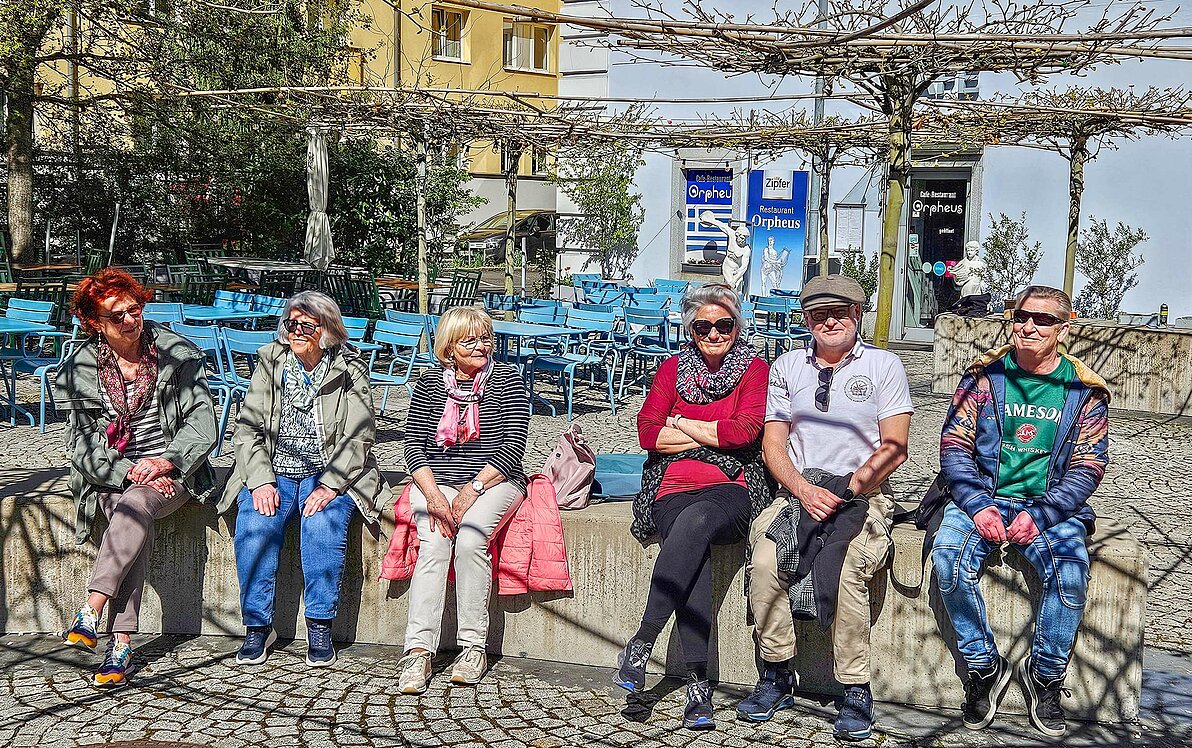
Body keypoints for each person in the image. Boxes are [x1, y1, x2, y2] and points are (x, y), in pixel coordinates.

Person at [739, 274, 913, 741]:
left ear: (857, 314)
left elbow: (896, 447)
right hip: (797, 491)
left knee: (849, 567)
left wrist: (849, 488)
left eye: (839, 312)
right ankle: (776, 672)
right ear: (806, 319)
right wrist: (801, 488)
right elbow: (773, 443)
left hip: (863, 494)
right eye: (818, 314)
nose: (829, 321)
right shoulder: (788, 365)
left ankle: (855, 687)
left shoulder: (884, 365)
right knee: (765, 561)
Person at [933, 285, 1108, 738]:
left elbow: (1089, 466)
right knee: (947, 560)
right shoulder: (983, 378)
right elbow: (953, 447)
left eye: (1043, 320)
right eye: (1021, 316)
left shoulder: (1083, 390)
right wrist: (977, 505)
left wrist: (1044, 515)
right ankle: (984, 666)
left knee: (1070, 576)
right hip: (983, 496)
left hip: (1048, 505)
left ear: (1063, 329)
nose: (1029, 326)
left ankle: (1045, 675)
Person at [615, 283, 771, 730]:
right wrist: (712, 433)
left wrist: (680, 422)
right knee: (692, 545)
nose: (714, 333)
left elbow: (744, 433)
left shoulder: (755, 369)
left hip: (733, 488)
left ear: (737, 326)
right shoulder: (672, 369)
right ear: (691, 329)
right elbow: (648, 433)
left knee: (698, 520)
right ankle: (698, 689)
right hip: (669, 489)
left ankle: (642, 642)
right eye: (703, 326)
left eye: (724, 324)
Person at [55, 268, 218, 687]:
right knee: (130, 509)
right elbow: (82, 447)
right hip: (113, 476)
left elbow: (203, 426)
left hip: (174, 473)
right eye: (117, 316)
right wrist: (129, 470)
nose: (130, 320)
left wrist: (165, 462)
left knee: (134, 505)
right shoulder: (81, 369)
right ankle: (121, 644)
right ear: (95, 323)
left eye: (135, 310)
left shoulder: (176, 355)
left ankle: (92, 608)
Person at [222, 291, 389, 668]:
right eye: (291, 324)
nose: (295, 332)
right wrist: (260, 479)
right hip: (274, 468)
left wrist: (331, 484)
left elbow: (359, 434)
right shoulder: (271, 362)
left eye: (305, 326)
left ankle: (319, 624)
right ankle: (257, 626)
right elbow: (247, 429)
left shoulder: (350, 368)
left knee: (322, 523)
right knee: (255, 523)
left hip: (329, 471)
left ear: (327, 330)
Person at [397, 306, 530, 694]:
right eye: (470, 340)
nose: (481, 346)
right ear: (449, 347)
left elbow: (512, 449)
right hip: (437, 483)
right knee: (434, 544)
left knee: (471, 540)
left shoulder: (508, 379)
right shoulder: (428, 384)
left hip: (494, 480)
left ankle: (473, 648)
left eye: (486, 338)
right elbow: (413, 447)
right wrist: (434, 495)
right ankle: (418, 651)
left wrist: (472, 490)